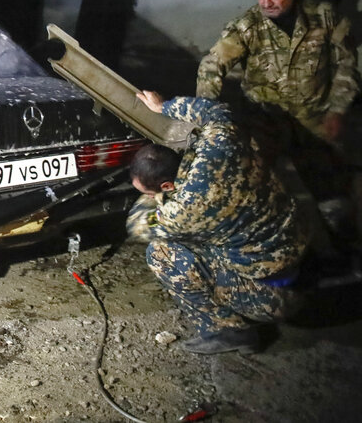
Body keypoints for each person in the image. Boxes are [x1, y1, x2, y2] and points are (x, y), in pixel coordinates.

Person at [195, 0, 360, 247]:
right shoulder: (247, 26)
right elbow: (212, 66)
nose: (266, 3)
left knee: (332, 191)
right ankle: (263, 253)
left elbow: (346, 64)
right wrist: (206, 115)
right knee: (253, 188)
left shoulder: (324, 18)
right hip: (265, 121)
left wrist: (337, 109)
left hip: (315, 120)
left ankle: (348, 253)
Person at [127, 91, 307, 355]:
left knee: (161, 254)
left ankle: (228, 331)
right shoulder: (220, 142)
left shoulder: (184, 210)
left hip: (272, 297)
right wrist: (164, 106)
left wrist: (156, 199)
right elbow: (218, 111)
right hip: (299, 251)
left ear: (167, 185)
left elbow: (138, 226)